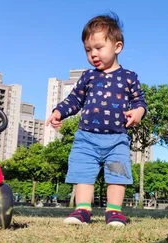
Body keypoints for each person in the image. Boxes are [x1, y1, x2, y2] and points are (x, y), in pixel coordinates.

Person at [45, 13, 147, 227]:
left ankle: (114, 212)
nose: (93, 54)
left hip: (117, 139)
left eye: (99, 48)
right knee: (83, 173)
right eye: (88, 50)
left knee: (117, 175)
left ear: (117, 47)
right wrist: (58, 112)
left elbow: (140, 101)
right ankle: (82, 210)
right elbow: (74, 99)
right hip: (86, 138)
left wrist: (138, 111)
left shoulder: (129, 77)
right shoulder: (88, 76)